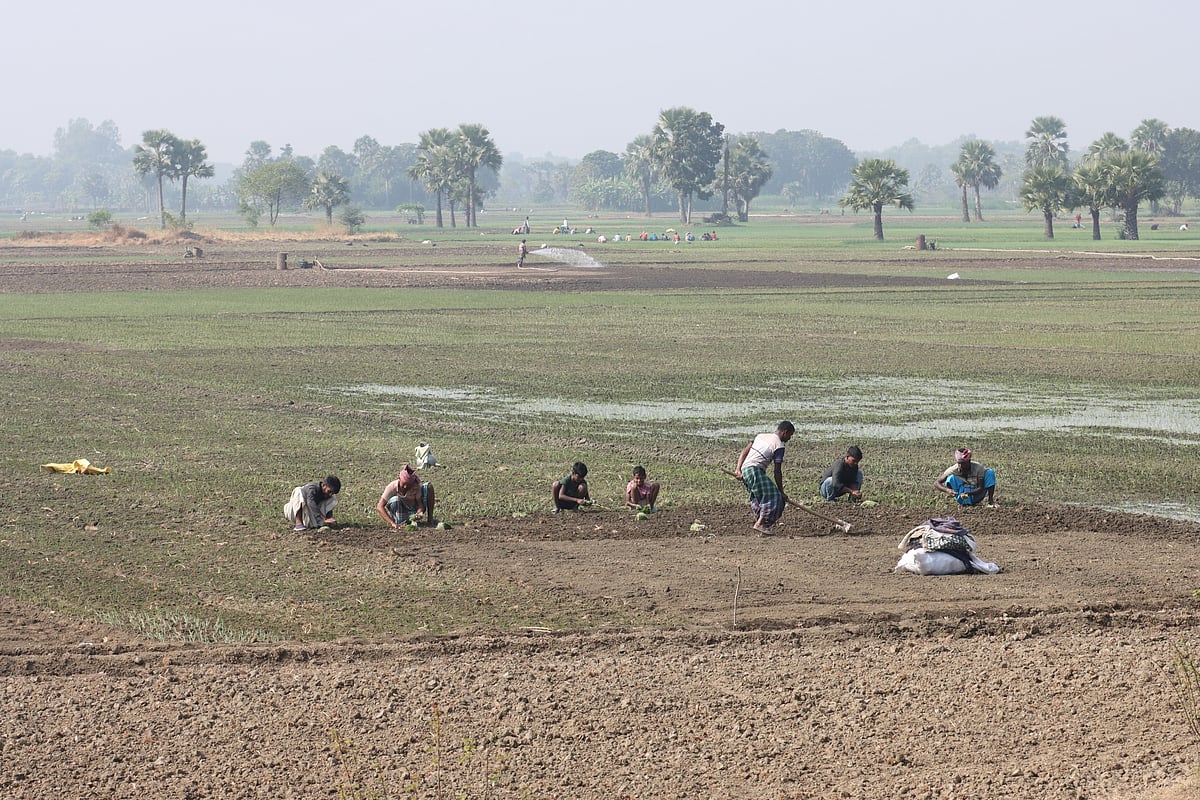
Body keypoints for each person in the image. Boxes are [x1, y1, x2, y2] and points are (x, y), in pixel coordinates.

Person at [735, 421, 795, 534]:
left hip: (746, 470)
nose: (789, 438)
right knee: (775, 497)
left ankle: (762, 525)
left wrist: (738, 469)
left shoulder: (760, 436)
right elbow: (777, 471)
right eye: (790, 435)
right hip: (754, 470)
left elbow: (744, 452)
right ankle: (761, 523)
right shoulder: (779, 445)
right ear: (785, 432)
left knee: (758, 498)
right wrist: (781, 492)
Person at [377, 464, 436, 528]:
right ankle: (399, 522)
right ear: (405, 486)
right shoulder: (392, 487)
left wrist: (419, 513)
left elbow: (420, 505)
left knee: (429, 486)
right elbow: (379, 507)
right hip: (400, 511)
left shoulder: (415, 485)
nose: (414, 486)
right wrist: (392, 523)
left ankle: (430, 520)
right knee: (395, 500)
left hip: (413, 511)